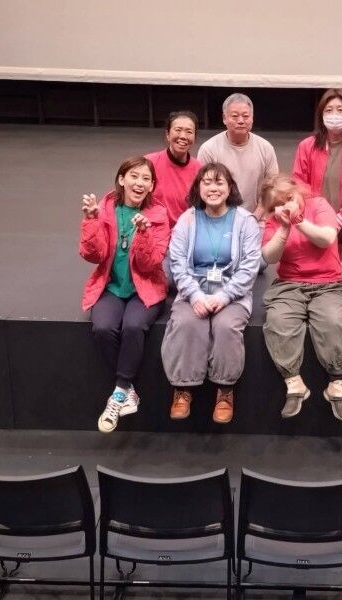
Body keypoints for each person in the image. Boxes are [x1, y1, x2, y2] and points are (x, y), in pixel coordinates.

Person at [161, 162, 261, 423]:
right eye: (206, 182)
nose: (213, 188)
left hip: (233, 292)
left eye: (219, 182)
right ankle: (183, 388)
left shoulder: (245, 221)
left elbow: (250, 267)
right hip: (193, 289)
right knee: (186, 323)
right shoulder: (187, 219)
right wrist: (195, 296)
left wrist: (224, 297)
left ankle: (225, 391)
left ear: (230, 188)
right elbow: (177, 263)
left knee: (226, 327)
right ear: (198, 187)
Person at [79, 156, 169, 433]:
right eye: (134, 176)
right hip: (111, 286)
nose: (140, 183)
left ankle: (118, 392)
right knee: (103, 327)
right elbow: (92, 255)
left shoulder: (158, 215)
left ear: (152, 186)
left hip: (145, 288)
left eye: (146, 179)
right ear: (121, 179)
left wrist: (143, 234)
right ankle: (128, 390)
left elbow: (150, 264)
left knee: (133, 326)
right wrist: (91, 220)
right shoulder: (105, 208)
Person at [260, 174, 342, 421]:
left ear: (298, 191)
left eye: (289, 198)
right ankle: (294, 383)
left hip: (328, 283)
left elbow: (327, 238)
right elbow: (269, 257)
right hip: (289, 284)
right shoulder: (274, 219)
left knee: (333, 321)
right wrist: (284, 227)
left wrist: (299, 221)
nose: (286, 206)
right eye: (278, 204)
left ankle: (336, 385)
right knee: (278, 320)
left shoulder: (318, 205)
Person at [292, 88, 342, 285]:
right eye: (329, 110)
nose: (334, 115)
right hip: (316, 223)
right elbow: (298, 183)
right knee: (309, 277)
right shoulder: (307, 146)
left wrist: (341, 218)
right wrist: (321, 217)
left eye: (340, 110)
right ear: (321, 115)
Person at [197, 93, 278, 220]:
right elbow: (203, 188)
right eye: (235, 116)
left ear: (252, 118)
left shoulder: (266, 148)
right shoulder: (209, 149)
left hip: (257, 218)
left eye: (246, 116)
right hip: (217, 217)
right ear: (224, 118)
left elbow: (271, 188)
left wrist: (254, 218)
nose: (240, 121)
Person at [145, 110, 202, 229]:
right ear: (167, 134)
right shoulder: (148, 163)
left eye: (189, 132)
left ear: (194, 137)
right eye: (178, 130)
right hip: (153, 230)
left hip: (185, 232)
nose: (183, 136)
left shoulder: (199, 169)